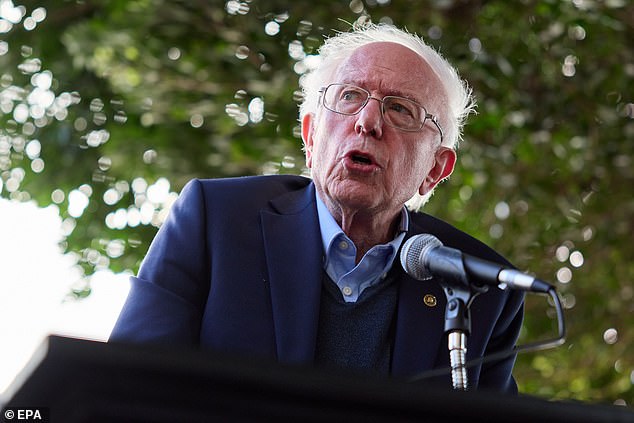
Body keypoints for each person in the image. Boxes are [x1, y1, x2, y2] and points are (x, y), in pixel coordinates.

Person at [109, 23, 524, 393]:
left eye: (400, 108)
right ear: (310, 137)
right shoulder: (215, 221)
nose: (368, 122)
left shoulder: (480, 287)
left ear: (435, 168)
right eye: (349, 96)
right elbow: (125, 388)